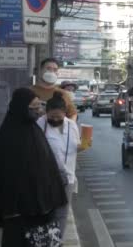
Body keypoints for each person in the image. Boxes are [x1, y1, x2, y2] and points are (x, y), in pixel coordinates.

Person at [0, 88, 66, 246]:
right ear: (21, 107)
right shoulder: (9, 135)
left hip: (40, 208)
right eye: (33, 107)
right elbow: (1, 173)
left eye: (38, 106)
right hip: (17, 211)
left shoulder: (35, 130)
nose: (38, 111)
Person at [38, 92, 87, 239]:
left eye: (58, 117)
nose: (55, 119)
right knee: (47, 212)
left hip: (67, 177)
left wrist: (83, 146)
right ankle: (44, 239)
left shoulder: (72, 125)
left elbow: (75, 146)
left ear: (64, 114)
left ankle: (56, 241)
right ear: (46, 113)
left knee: (62, 213)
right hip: (45, 177)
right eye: (51, 116)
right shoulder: (40, 123)